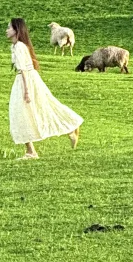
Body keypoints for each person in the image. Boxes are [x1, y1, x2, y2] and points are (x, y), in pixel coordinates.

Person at [7, 18, 82, 160]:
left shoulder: (20, 47)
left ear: (17, 30)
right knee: (22, 113)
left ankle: (71, 125)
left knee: (39, 108)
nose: (6, 30)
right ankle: (31, 150)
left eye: (9, 28)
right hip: (24, 80)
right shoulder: (17, 46)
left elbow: (23, 69)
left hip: (26, 81)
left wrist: (27, 91)